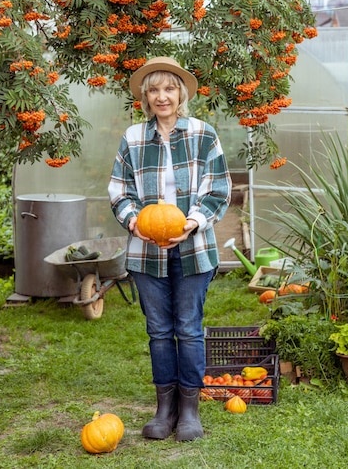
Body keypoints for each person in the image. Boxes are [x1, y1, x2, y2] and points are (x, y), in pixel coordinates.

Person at [108, 56, 232, 442]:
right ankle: (165, 410)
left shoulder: (203, 134)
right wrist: (133, 222)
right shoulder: (132, 138)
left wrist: (192, 222)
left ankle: (190, 411)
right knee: (159, 331)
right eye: (154, 90)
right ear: (145, 98)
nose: (163, 96)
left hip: (193, 247)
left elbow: (219, 189)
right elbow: (119, 191)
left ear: (181, 94)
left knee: (189, 330)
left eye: (170, 88)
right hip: (146, 252)